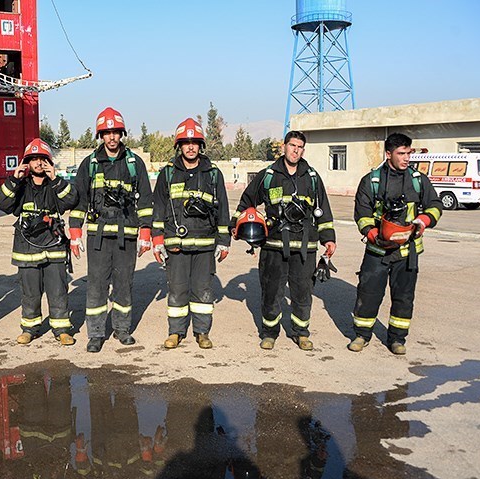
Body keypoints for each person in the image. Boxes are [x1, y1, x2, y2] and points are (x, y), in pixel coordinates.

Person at [231, 130, 336, 351]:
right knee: (271, 292)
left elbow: (323, 210)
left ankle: (301, 333)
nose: (295, 150)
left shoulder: (312, 177)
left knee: (302, 293)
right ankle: (270, 333)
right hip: (274, 246)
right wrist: (236, 224)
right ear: (284, 147)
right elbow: (247, 201)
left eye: (300, 147)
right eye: (292, 145)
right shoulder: (269, 175)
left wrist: (329, 239)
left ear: (303, 150)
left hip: (304, 249)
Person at [68, 107, 154, 353]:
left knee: (124, 283)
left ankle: (122, 329)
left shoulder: (134, 163)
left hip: (126, 234)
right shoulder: (90, 164)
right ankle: (95, 333)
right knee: (96, 285)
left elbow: (145, 202)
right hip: (98, 236)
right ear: (100, 136)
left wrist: (145, 234)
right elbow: (80, 201)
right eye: (107, 133)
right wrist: (75, 233)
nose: (112, 137)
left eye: (115, 132)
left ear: (122, 133)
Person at [348, 132, 442, 355]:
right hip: (377, 250)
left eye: (409, 152)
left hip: (407, 251)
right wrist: (372, 234)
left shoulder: (419, 181)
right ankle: (362, 336)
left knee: (403, 297)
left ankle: (397, 339)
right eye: (401, 153)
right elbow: (362, 212)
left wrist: (424, 221)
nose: (407, 157)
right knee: (368, 294)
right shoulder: (371, 181)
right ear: (389, 154)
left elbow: (435, 205)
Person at [151, 118, 231, 349]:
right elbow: (157, 209)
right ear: (179, 146)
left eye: (194, 142)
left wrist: (223, 242)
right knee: (176, 290)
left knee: (203, 291)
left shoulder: (213, 175)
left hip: (205, 245)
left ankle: (202, 332)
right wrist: (157, 241)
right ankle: (175, 332)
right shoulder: (167, 174)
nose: (190, 147)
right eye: (185, 143)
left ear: (201, 145)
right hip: (176, 245)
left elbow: (223, 209)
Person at [0, 138, 79, 346]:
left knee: (58, 291)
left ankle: (62, 329)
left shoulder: (56, 185)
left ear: (49, 162)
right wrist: (14, 178)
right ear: (27, 163)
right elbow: (1, 202)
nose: (38, 164)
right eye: (34, 160)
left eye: (43, 159)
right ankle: (30, 329)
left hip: (54, 246)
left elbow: (72, 200)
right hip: (27, 247)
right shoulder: (20, 186)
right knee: (30, 293)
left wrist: (56, 179)